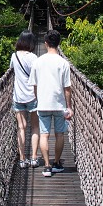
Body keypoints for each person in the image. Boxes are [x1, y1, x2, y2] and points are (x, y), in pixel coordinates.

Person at [31, 29, 73, 177]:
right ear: (58, 43)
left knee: (44, 135)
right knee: (60, 134)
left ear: (46, 43)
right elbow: (67, 88)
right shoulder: (64, 63)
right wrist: (69, 107)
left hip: (43, 105)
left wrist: (39, 99)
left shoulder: (37, 62)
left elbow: (34, 86)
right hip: (59, 105)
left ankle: (47, 166)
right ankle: (56, 164)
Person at [9, 31, 41, 168]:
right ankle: (34, 157)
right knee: (35, 127)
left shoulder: (14, 56)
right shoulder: (34, 57)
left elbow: (11, 69)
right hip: (33, 96)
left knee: (21, 128)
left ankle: (22, 159)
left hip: (19, 96)